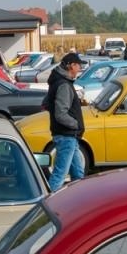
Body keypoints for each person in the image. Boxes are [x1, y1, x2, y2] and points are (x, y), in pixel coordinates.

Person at [44, 53, 87, 191]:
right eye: (78, 65)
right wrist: (76, 124)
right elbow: (60, 114)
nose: (80, 69)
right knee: (60, 175)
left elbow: (46, 103)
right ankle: (48, 201)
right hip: (66, 136)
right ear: (71, 66)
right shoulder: (63, 85)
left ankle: (78, 200)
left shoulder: (58, 81)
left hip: (70, 136)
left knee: (78, 174)